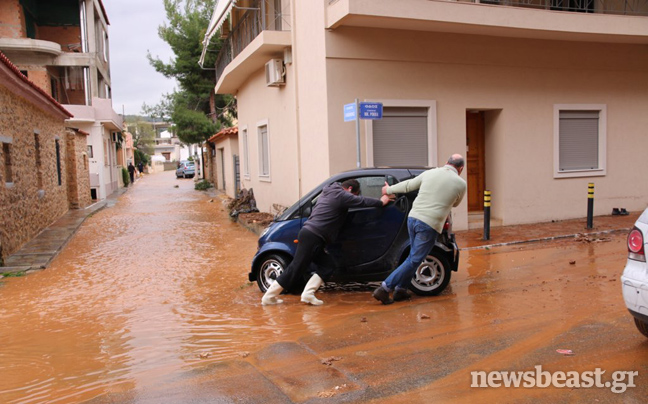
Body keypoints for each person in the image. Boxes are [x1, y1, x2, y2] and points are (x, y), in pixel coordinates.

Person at [262, 179, 394, 306]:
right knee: (296, 267)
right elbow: (361, 202)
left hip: (313, 235)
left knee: (327, 265)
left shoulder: (330, 191)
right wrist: (381, 202)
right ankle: (269, 296)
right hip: (313, 235)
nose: (354, 198)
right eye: (355, 194)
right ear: (349, 189)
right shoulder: (341, 195)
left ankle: (308, 294)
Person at [373, 154, 467, 305]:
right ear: (460, 168)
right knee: (415, 259)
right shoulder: (461, 184)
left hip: (413, 218)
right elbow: (455, 204)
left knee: (413, 257)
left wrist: (388, 189)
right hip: (429, 224)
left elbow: (408, 185)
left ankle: (401, 290)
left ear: (446, 163)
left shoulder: (430, 173)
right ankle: (384, 289)